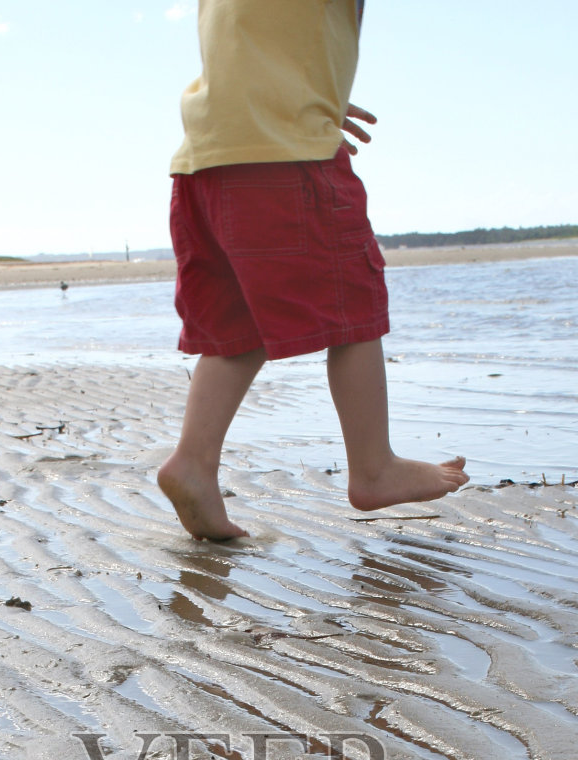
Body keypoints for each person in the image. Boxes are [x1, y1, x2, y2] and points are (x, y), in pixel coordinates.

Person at [157, 0, 468, 542]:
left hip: (204, 160)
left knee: (237, 328)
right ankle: (373, 467)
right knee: (354, 307)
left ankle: (194, 461)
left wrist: (311, 91)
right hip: (285, 154)